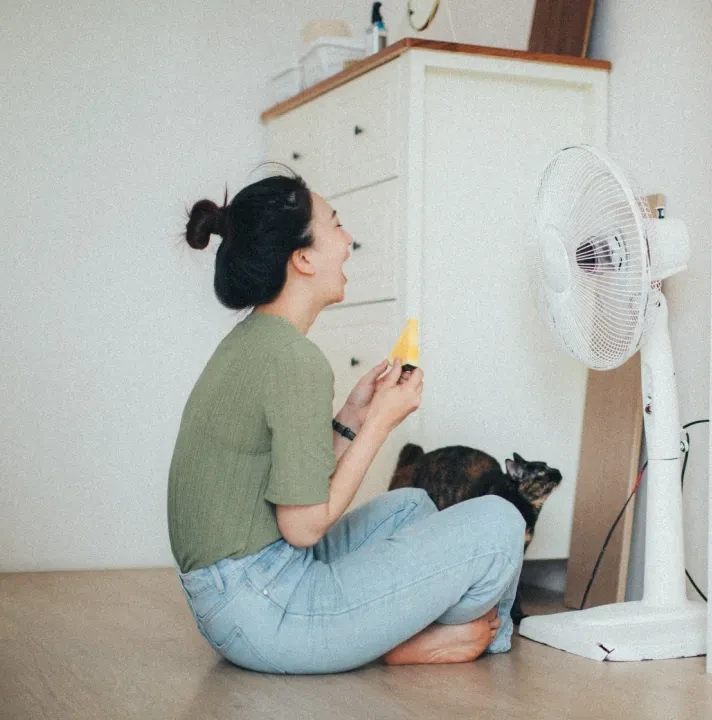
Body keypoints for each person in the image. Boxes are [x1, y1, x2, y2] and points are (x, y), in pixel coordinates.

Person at [168, 172, 525, 674]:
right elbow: (303, 525)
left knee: (411, 507)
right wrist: (382, 422)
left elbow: (289, 485)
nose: (348, 239)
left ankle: (392, 632)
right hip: (271, 612)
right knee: (500, 522)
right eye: (335, 224)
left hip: (237, 602)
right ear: (304, 258)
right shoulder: (295, 359)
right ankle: (432, 639)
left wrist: (353, 417)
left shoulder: (256, 342)